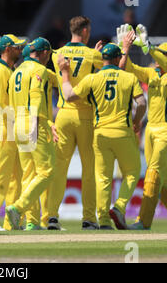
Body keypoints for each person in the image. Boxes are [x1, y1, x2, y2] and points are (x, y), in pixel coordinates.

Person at [57, 42, 147, 230]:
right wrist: (137, 121)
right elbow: (141, 103)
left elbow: (69, 96)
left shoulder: (92, 78)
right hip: (123, 131)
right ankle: (120, 207)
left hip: (99, 134)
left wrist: (65, 75)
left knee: (103, 178)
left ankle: (104, 220)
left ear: (103, 59)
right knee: (132, 172)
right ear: (117, 58)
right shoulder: (129, 77)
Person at [117, 23, 167, 231]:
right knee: (161, 179)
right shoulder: (152, 75)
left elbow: (165, 65)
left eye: (160, 55)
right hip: (150, 129)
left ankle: (143, 221)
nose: (154, 57)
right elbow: (128, 69)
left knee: (153, 173)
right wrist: (124, 47)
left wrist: (150, 47)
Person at [47, 16, 104, 230]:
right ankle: (88, 218)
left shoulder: (57, 54)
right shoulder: (92, 54)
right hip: (86, 116)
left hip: (63, 115)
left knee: (59, 169)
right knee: (89, 170)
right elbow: (109, 64)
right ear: (86, 30)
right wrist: (94, 52)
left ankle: (52, 216)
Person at [5, 37, 55, 230]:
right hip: (33, 122)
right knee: (46, 171)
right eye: (48, 54)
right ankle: (18, 208)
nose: (48, 58)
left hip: (18, 123)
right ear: (43, 52)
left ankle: (33, 221)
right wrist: (34, 123)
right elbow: (35, 97)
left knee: (29, 174)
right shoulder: (39, 70)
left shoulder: (16, 72)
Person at [0, 34, 26, 231]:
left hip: (13, 128)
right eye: (17, 47)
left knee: (16, 178)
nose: (21, 50)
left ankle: (12, 222)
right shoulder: (0, 71)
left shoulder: (10, 69)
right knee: (1, 176)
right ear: (7, 49)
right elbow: (0, 105)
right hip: (4, 128)